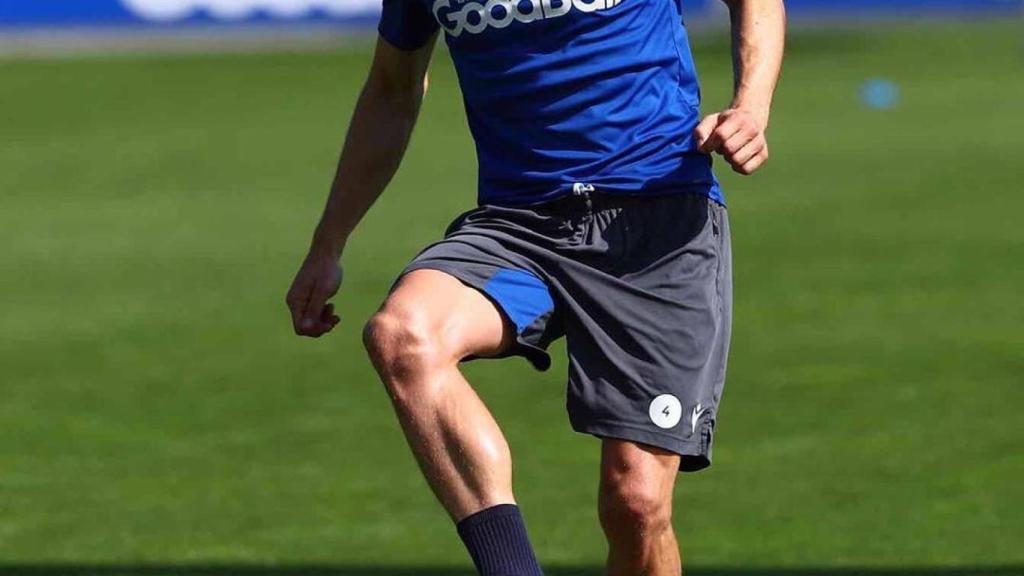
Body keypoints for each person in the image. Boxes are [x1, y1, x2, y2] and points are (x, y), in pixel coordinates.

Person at [286, 0, 785, 572]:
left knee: (636, 503)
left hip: (656, 225)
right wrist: (329, 242)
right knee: (404, 335)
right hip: (519, 227)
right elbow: (393, 89)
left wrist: (751, 107)